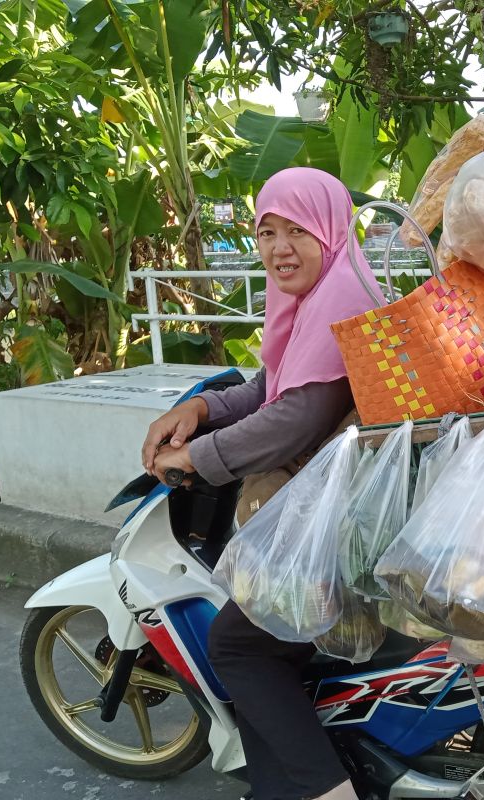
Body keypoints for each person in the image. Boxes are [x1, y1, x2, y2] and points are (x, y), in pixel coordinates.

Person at [140, 168, 383, 800]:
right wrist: (201, 409)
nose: (279, 247)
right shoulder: (321, 297)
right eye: (266, 231)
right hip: (327, 509)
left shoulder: (343, 302)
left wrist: (194, 456)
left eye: (296, 230)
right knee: (264, 650)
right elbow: (272, 384)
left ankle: (328, 789)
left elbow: (294, 420)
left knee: (238, 648)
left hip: (331, 522)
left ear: (329, 230)